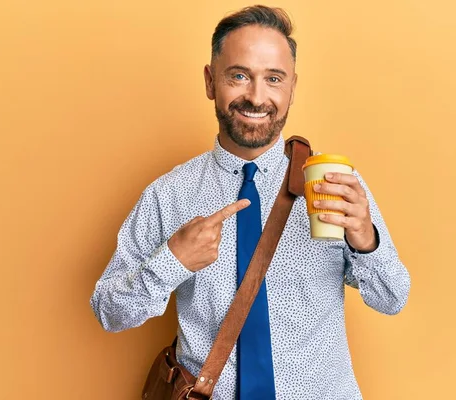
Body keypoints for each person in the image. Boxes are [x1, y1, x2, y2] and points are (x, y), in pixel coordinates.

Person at [90, 5, 410, 399]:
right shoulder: (168, 195)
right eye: (239, 75)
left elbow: (393, 298)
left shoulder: (335, 186)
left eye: (273, 79)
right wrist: (171, 261)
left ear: (292, 86)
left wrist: (366, 239)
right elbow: (108, 312)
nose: (257, 98)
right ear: (210, 82)